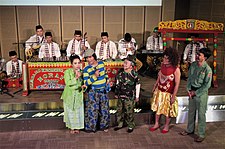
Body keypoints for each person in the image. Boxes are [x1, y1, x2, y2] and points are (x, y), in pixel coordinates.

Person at [179, 48, 212, 143]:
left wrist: (196, 93)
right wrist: (189, 90)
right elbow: (189, 78)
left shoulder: (207, 69)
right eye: (198, 54)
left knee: (201, 114)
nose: (197, 56)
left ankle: (201, 134)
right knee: (191, 112)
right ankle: (189, 130)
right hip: (191, 92)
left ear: (205, 57)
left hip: (201, 94)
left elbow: (207, 85)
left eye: (200, 55)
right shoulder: (193, 65)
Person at [149, 47, 181, 133]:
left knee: (167, 111)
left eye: (167, 58)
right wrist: (155, 86)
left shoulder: (176, 69)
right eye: (164, 57)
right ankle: (156, 123)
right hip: (160, 91)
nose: (165, 59)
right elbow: (159, 76)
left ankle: (166, 125)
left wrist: (173, 96)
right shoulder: (162, 65)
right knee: (157, 108)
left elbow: (177, 84)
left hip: (168, 93)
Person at [83, 48, 110, 133]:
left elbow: (105, 74)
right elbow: (86, 83)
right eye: (87, 58)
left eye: (90, 57)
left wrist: (107, 80)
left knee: (104, 110)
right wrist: (94, 76)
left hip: (103, 91)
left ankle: (104, 126)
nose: (89, 59)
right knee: (92, 110)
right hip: (93, 92)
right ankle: (91, 127)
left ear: (94, 56)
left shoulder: (101, 64)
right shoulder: (86, 69)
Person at [114, 55, 140, 133]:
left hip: (130, 96)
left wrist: (137, 96)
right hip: (121, 95)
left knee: (129, 111)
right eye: (124, 63)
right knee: (119, 110)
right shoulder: (120, 74)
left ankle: (130, 125)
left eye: (126, 63)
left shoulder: (134, 74)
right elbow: (118, 84)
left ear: (131, 66)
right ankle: (119, 124)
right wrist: (116, 93)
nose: (124, 64)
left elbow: (137, 85)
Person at [61, 54, 84, 134]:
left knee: (77, 112)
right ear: (71, 64)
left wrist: (82, 83)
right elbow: (68, 83)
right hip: (69, 95)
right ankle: (71, 127)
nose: (77, 65)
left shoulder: (82, 72)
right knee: (70, 111)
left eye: (78, 63)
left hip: (78, 94)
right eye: (75, 63)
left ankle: (77, 127)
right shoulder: (67, 72)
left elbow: (82, 84)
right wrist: (76, 78)